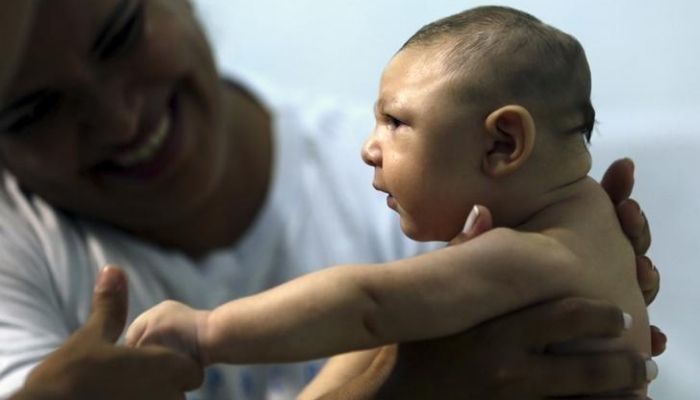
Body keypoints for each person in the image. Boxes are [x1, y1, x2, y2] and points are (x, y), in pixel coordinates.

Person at [0, 1, 662, 399]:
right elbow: (391, 343)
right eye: (34, 109)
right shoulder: (573, 224)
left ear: (504, 143)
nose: (370, 149)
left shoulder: (513, 243)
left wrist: (207, 333)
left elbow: (369, 306)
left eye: (395, 123)